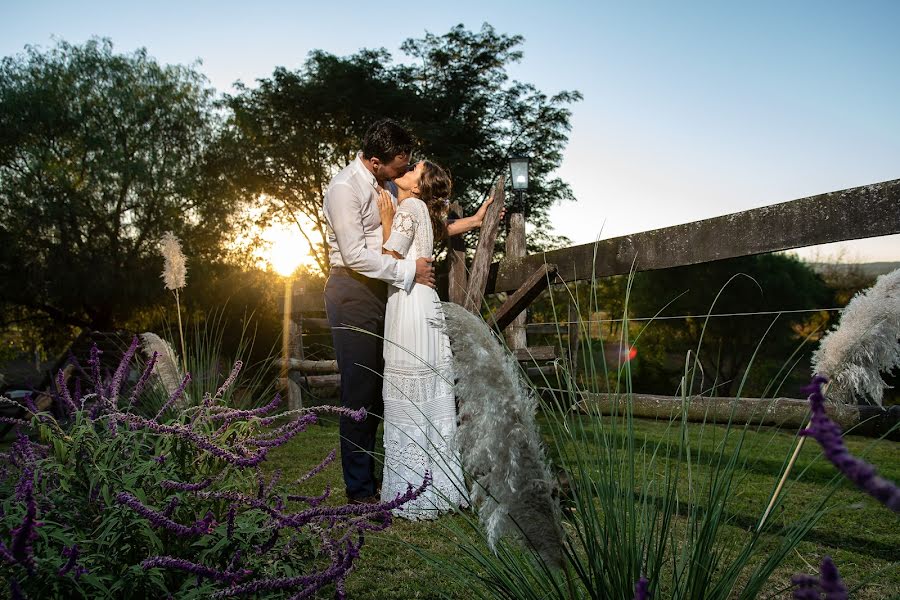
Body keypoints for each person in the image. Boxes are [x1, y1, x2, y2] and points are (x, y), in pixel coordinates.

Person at [377, 159, 499, 519]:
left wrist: (387, 220)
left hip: (409, 302)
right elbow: (444, 229)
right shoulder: (423, 211)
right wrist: (477, 219)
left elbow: (389, 260)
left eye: (413, 169)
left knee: (408, 390)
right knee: (430, 390)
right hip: (425, 303)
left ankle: (410, 491)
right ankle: (438, 486)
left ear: (417, 186)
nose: (406, 169)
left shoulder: (408, 208)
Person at [322, 119, 435, 504]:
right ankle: (360, 493)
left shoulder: (385, 182)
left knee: (382, 390)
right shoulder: (343, 189)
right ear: (374, 161)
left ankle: (383, 478)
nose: (404, 171)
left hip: (383, 290)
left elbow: (410, 224)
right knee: (359, 392)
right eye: (398, 166)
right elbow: (354, 256)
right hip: (352, 291)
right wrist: (408, 271)